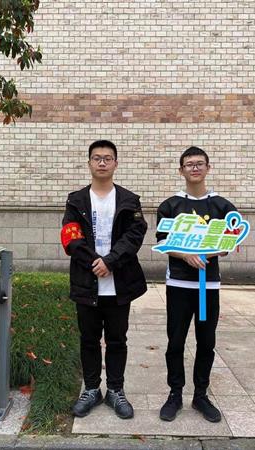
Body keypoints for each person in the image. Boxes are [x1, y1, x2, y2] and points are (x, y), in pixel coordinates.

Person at [61, 140, 148, 420]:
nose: (101, 162)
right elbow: (71, 236)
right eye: (96, 158)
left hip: (118, 283)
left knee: (117, 340)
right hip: (87, 282)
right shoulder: (76, 200)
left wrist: (110, 261)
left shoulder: (129, 200)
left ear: (115, 164)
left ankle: (115, 390)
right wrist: (94, 263)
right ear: (89, 163)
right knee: (88, 339)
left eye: (107, 158)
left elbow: (135, 235)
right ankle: (91, 390)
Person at [156, 146, 237, 423]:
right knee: (175, 341)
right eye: (189, 164)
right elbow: (163, 242)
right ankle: (175, 394)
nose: (194, 168)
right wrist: (185, 254)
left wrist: (207, 253)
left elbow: (230, 242)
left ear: (208, 168)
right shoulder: (171, 206)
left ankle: (201, 395)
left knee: (206, 342)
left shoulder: (222, 206)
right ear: (181, 170)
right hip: (179, 284)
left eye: (199, 163)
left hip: (207, 287)